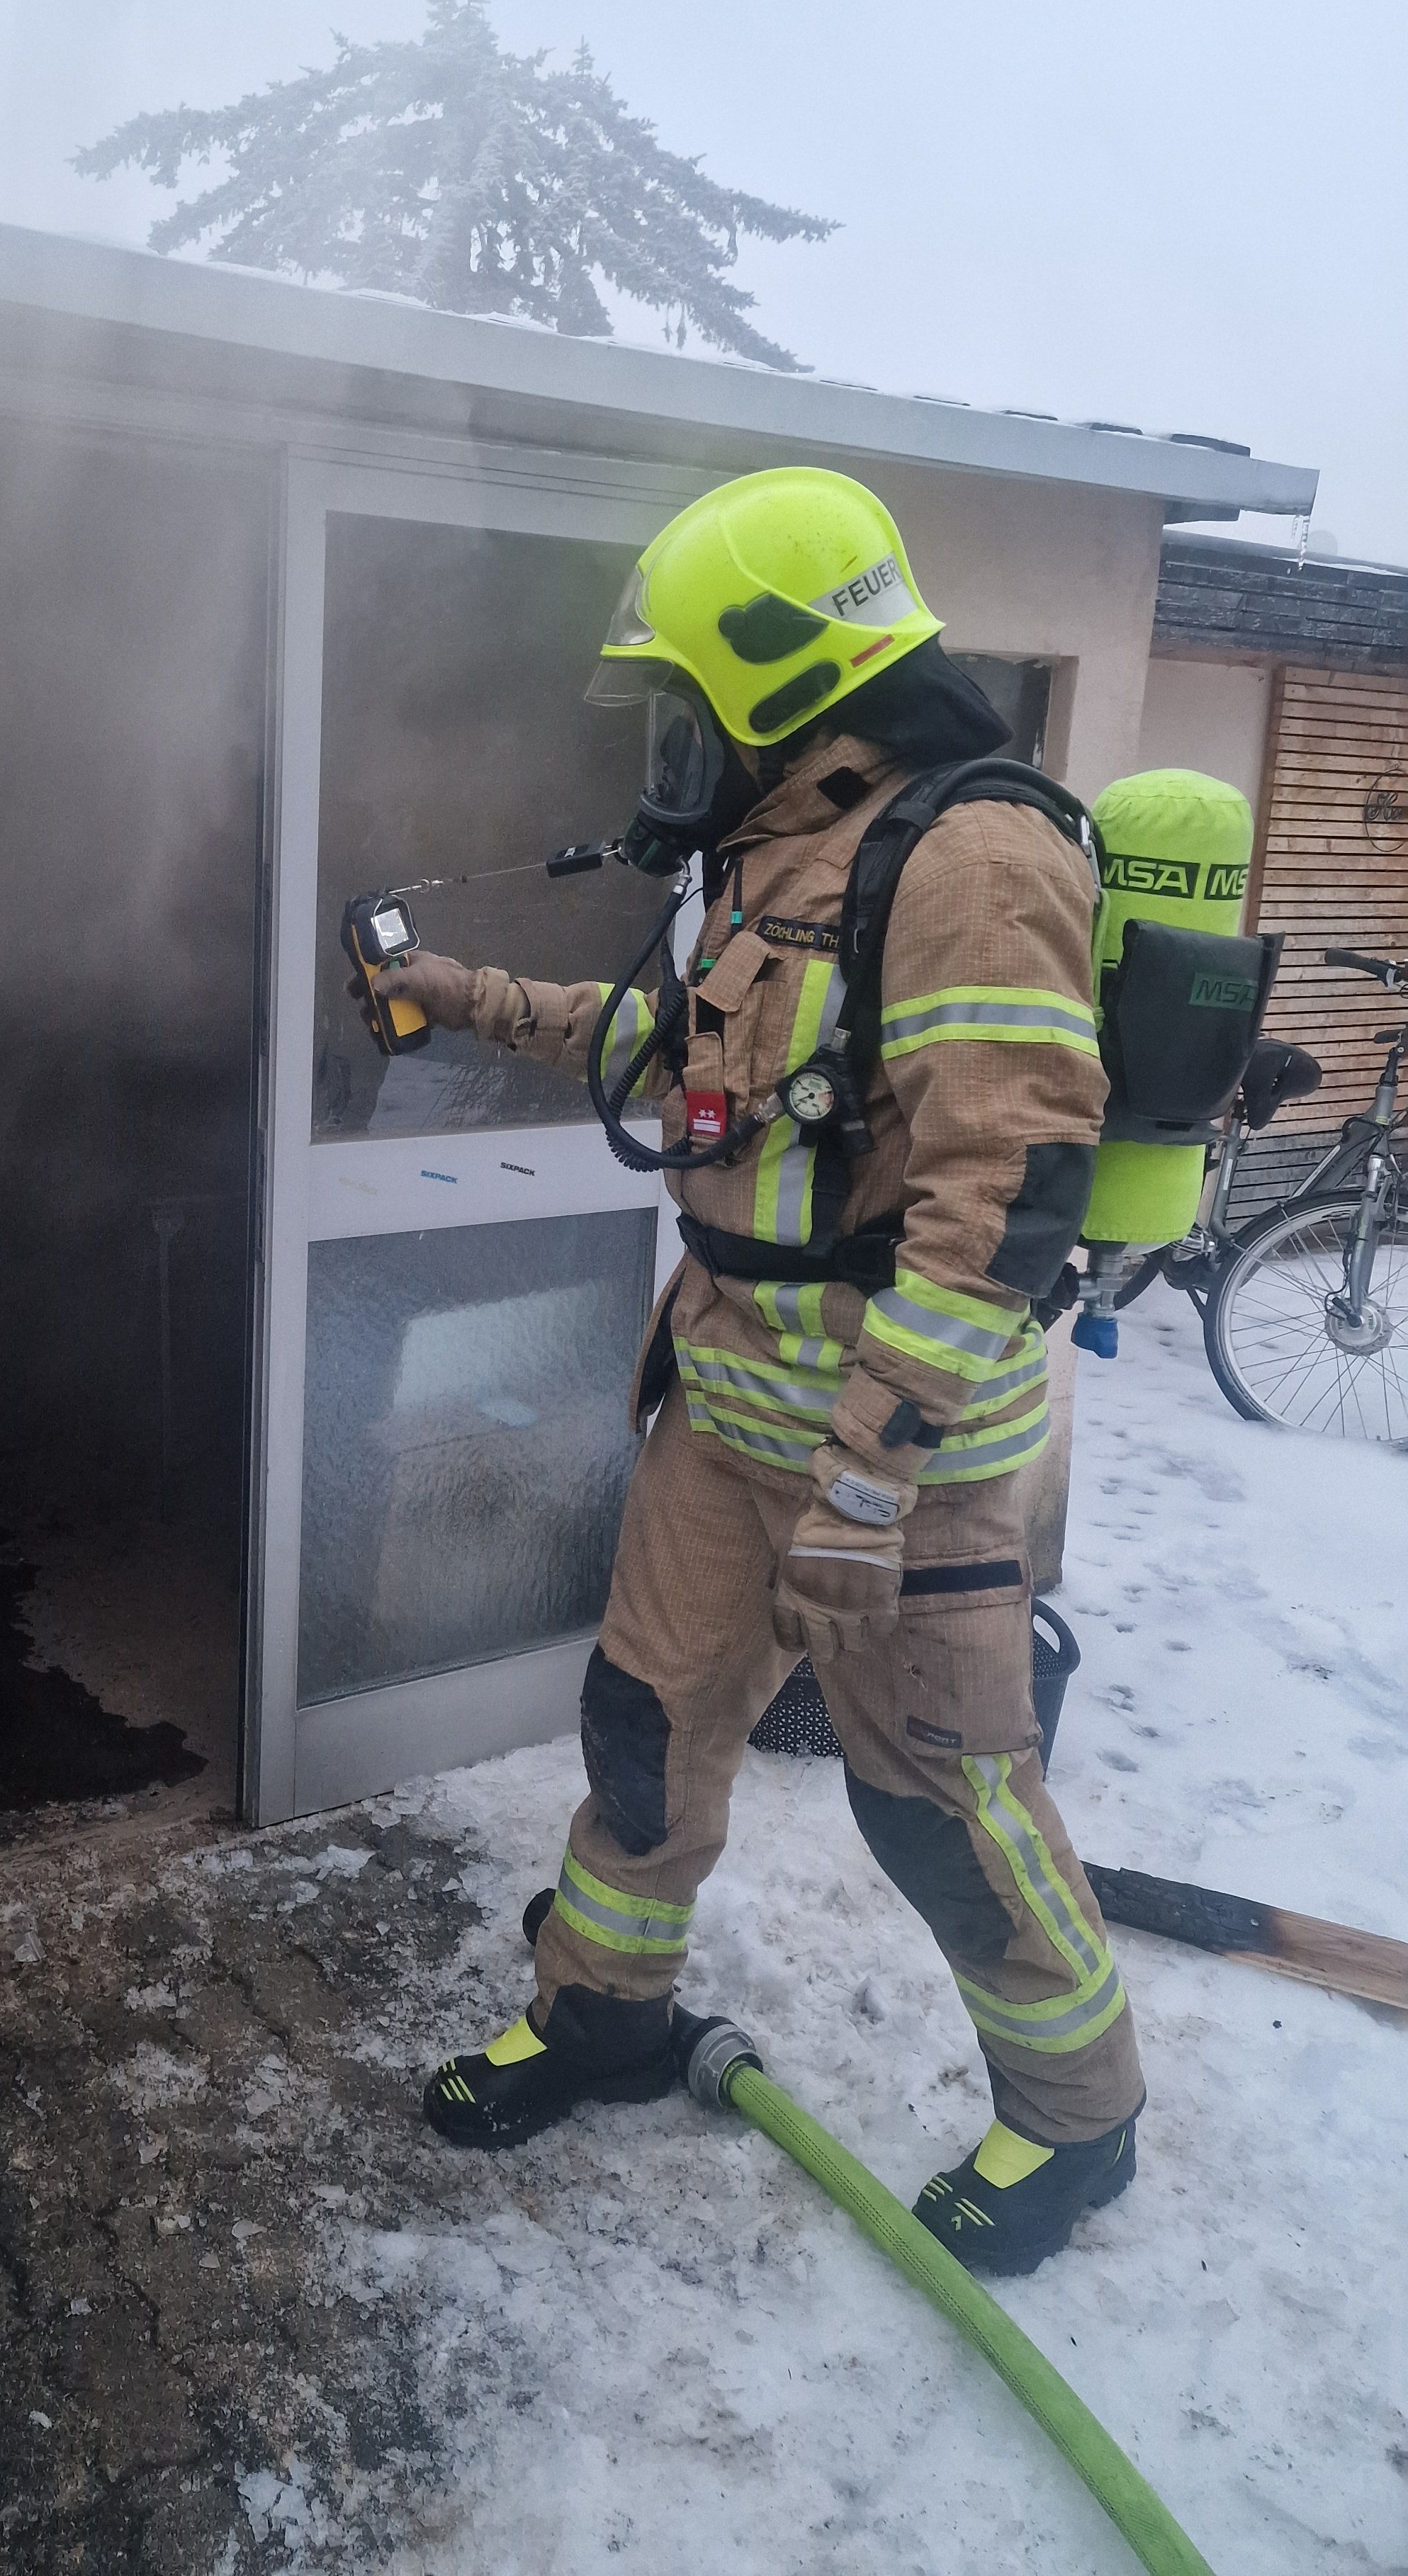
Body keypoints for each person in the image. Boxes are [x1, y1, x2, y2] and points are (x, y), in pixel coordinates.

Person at [372, 468, 1144, 2278]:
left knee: (947, 1810)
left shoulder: (975, 859)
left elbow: (1005, 1205)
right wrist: (460, 994)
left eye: (677, 704)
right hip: (728, 1422)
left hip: (911, 1466)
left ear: (778, 684)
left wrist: (872, 1485)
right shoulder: (780, 861)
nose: (661, 745)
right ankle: (604, 2014)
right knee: (645, 1735)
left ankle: (1078, 2117)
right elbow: (659, 1052)